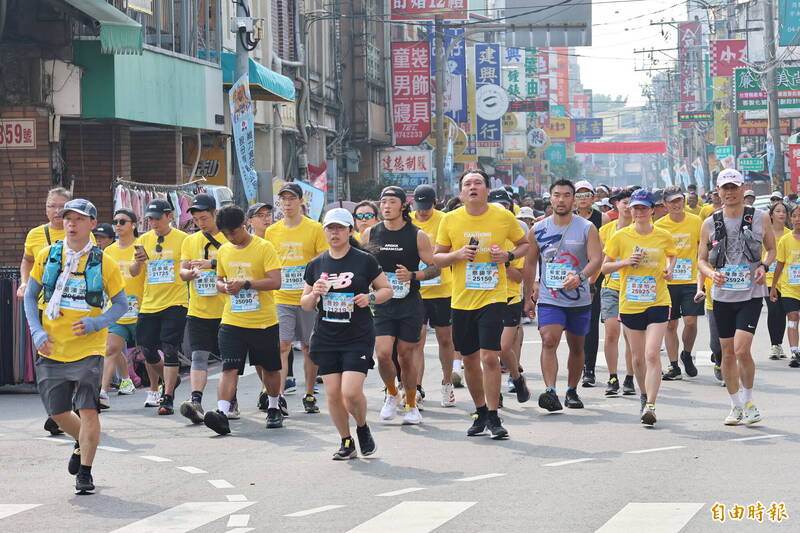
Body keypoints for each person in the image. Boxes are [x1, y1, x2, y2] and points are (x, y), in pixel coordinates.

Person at [23, 199, 127, 494]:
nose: (71, 223)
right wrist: (37, 332)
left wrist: (97, 323)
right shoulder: (48, 255)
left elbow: (120, 304)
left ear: (92, 224)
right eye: (68, 217)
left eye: (79, 219)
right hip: (52, 346)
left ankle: (85, 473)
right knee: (57, 413)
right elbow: (30, 296)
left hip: (88, 349)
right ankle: (82, 442)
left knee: (88, 410)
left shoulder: (104, 261)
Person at [434, 170, 529, 439]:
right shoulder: (450, 219)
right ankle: (481, 412)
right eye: (467, 184)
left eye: (478, 183)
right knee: (469, 359)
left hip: (494, 296)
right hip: (462, 299)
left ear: (487, 190)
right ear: (461, 192)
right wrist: (458, 254)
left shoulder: (503, 216)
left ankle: (495, 415)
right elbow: (437, 258)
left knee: (489, 355)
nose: (473, 187)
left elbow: (524, 244)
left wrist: (508, 255)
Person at [300, 208, 393, 459]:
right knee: (332, 394)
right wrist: (315, 293)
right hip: (326, 336)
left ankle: (362, 427)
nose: (335, 233)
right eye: (330, 228)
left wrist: (369, 297)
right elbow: (305, 304)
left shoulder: (364, 260)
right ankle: (346, 441)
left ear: (350, 231)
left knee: (350, 392)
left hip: (357, 335)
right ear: (324, 231)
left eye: (340, 228)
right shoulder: (316, 264)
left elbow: (387, 290)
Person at [698, 169, 776, 425]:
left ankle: (749, 400)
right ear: (718, 192)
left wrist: (764, 266)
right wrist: (711, 274)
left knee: (742, 349)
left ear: (743, 189)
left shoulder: (759, 217)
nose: (730, 192)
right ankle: (735, 405)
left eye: (734, 187)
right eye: (725, 188)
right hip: (722, 296)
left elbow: (771, 249)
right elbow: (701, 260)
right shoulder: (710, 223)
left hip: (751, 293)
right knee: (727, 353)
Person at [202, 205, 284, 434]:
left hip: (263, 321)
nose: (230, 238)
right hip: (232, 320)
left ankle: (274, 406)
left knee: (270, 368)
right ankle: (221, 413)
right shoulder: (224, 251)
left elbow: (276, 281)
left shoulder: (264, 247)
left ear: (244, 225)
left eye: (233, 232)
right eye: (225, 234)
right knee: (229, 367)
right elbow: (219, 279)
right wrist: (224, 287)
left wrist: (246, 284)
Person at [523, 179, 602, 411]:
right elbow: (529, 264)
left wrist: (580, 277)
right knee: (549, 339)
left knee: (577, 347)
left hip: (579, 297)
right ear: (550, 198)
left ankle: (571, 390)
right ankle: (550, 391)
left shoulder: (587, 227)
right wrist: (528, 295)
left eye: (567, 195)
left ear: (574, 200)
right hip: (550, 297)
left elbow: (596, 259)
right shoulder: (538, 229)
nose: (561, 200)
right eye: (557, 195)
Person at [363, 186, 439, 425]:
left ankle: (412, 404)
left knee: (406, 356)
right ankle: (392, 393)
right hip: (381, 303)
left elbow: (435, 268)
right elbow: (362, 264)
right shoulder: (370, 233)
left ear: (403, 206)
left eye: (392, 202)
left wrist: (413, 275)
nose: (386, 206)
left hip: (409, 303)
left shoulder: (417, 235)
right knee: (383, 353)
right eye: (383, 201)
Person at [602, 189, 676, 426]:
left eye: (644, 208)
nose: (639, 212)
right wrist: (625, 262)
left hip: (658, 300)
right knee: (637, 358)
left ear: (652, 210)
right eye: (636, 208)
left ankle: (651, 405)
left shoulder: (663, 235)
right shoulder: (620, 236)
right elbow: (604, 267)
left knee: (651, 353)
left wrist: (669, 268)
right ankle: (644, 395)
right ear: (631, 210)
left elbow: (671, 255)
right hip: (631, 303)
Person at [265, 182, 328, 415]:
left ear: (301, 201)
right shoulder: (272, 231)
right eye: (284, 199)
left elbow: (324, 261)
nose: (287, 203)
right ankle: (278, 396)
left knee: (309, 346)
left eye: (292, 199)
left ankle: (309, 394)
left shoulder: (315, 228)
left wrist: (317, 289)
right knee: (282, 346)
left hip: (308, 297)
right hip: (281, 297)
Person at [130, 198, 188, 414]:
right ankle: (169, 378)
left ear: (169, 216)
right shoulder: (143, 240)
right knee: (146, 349)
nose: (153, 223)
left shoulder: (183, 239)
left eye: (157, 218)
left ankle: (168, 397)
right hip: (150, 304)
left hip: (176, 301)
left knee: (170, 348)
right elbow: (134, 272)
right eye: (150, 219)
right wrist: (138, 261)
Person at [178, 193, 229, 423]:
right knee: (198, 355)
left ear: (215, 213)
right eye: (196, 219)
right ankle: (195, 401)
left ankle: (230, 401)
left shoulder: (229, 238)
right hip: (198, 309)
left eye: (205, 218)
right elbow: (182, 271)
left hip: (227, 310)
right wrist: (189, 273)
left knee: (229, 360)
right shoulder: (190, 241)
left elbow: (238, 264)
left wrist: (212, 264)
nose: (201, 223)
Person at [409, 184, 458, 408]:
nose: (422, 211)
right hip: (415, 289)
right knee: (416, 340)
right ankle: (417, 388)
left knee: (445, 339)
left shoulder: (445, 220)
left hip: (442, 289)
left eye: (427, 206)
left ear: (435, 203)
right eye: (419, 206)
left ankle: (447, 383)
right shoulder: (407, 221)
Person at [655, 185, 703, 381]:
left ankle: (687, 354)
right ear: (665, 204)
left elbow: (702, 249)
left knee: (690, 322)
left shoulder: (696, 221)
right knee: (670, 324)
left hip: (691, 279)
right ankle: (674, 365)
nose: (676, 205)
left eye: (679, 200)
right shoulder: (659, 225)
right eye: (672, 201)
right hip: (668, 281)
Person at [488, 188, 531, 403]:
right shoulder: (480, 238)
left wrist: (504, 262)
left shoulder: (515, 239)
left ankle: (516, 377)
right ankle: (494, 394)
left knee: (503, 348)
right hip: (484, 298)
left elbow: (519, 276)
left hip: (509, 298)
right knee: (488, 352)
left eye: (504, 208)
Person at [99, 209, 143, 408]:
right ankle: (102, 393)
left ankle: (161, 386)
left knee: (149, 352)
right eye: (115, 221)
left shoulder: (141, 246)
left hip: (142, 306)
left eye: (122, 222)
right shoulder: (109, 251)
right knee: (111, 348)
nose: (117, 225)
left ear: (133, 224)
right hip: (116, 307)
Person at [598, 190, 636, 396]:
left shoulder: (643, 229)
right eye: (625, 202)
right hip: (611, 287)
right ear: (616, 204)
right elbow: (599, 260)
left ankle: (630, 377)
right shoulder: (605, 231)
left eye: (633, 203)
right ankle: (613, 377)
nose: (628, 207)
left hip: (634, 290)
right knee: (611, 333)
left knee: (630, 337)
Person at [573, 179, 606, 388]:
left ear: (593, 198)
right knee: (574, 324)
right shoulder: (568, 218)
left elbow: (603, 252)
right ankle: (577, 363)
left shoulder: (601, 218)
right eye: (579, 194)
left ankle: (589, 369)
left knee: (591, 323)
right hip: (572, 275)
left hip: (595, 276)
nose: (583, 198)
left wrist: (592, 282)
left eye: (587, 195)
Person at [770, 204, 800, 366]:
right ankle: (795, 351)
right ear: (791, 219)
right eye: (795, 216)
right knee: (793, 316)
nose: (798, 219)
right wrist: (774, 286)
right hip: (789, 288)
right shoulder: (785, 240)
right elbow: (780, 264)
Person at [765, 202, 790, 360]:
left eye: (784, 211)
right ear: (771, 215)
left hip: (786, 280)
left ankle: (778, 344)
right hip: (768, 280)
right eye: (778, 211)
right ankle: (774, 345)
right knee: (774, 310)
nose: (781, 214)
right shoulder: (765, 233)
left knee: (781, 312)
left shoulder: (790, 234)